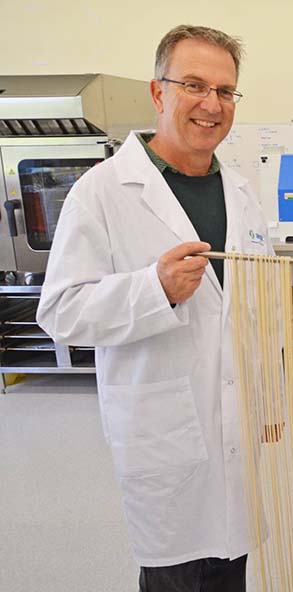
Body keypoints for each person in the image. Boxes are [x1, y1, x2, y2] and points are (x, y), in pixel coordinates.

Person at [36, 25, 272, 592]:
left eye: (225, 91)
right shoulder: (103, 191)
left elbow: (250, 311)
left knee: (229, 569)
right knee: (173, 572)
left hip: (236, 430)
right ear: (158, 92)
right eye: (194, 84)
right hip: (162, 434)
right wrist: (154, 289)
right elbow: (61, 310)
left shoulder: (241, 192)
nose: (211, 104)